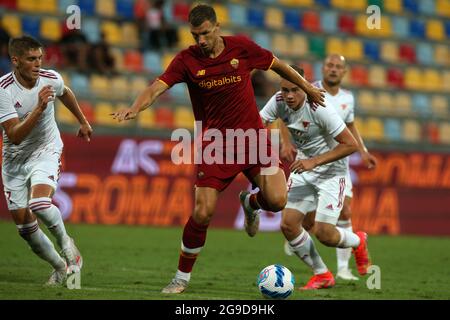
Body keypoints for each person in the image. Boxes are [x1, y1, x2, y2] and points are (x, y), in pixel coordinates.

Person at [111, 4, 325, 294]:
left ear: (217, 27)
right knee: (202, 212)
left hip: (254, 141)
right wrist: (135, 107)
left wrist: (308, 88)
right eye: (195, 34)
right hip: (216, 146)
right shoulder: (187, 60)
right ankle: (181, 278)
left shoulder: (241, 49)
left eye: (205, 33)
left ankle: (250, 203)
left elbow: (278, 65)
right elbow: (156, 87)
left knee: (277, 200)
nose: (200, 40)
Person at [260, 65, 371, 290]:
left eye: (294, 90)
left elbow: (350, 145)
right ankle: (322, 274)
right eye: (284, 90)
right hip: (304, 168)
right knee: (289, 225)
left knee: (324, 234)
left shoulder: (320, 108)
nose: (289, 96)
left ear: (304, 86)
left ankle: (358, 241)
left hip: (331, 171)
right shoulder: (279, 100)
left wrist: (314, 161)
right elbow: (259, 122)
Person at [0, 36, 93, 286]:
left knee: (40, 203)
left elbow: (66, 93)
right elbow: (14, 136)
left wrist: (82, 121)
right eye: (31, 59)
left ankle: (67, 244)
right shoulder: (3, 90)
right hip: (14, 161)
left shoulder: (50, 78)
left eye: (40, 57)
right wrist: (39, 108)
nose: (38, 63)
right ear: (16, 61)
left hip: (46, 149)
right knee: (25, 229)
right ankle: (60, 267)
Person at [283, 55, 378, 282]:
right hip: (309, 164)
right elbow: (283, 113)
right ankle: (301, 240)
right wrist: (285, 142)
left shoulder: (348, 98)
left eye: (338, 67)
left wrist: (363, 151)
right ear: (322, 68)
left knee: (344, 213)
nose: (333, 70)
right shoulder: (306, 89)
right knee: (308, 224)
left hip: (337, 164)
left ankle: (343, 267)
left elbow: (350, 127)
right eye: (329, 66)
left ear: (344, 72)